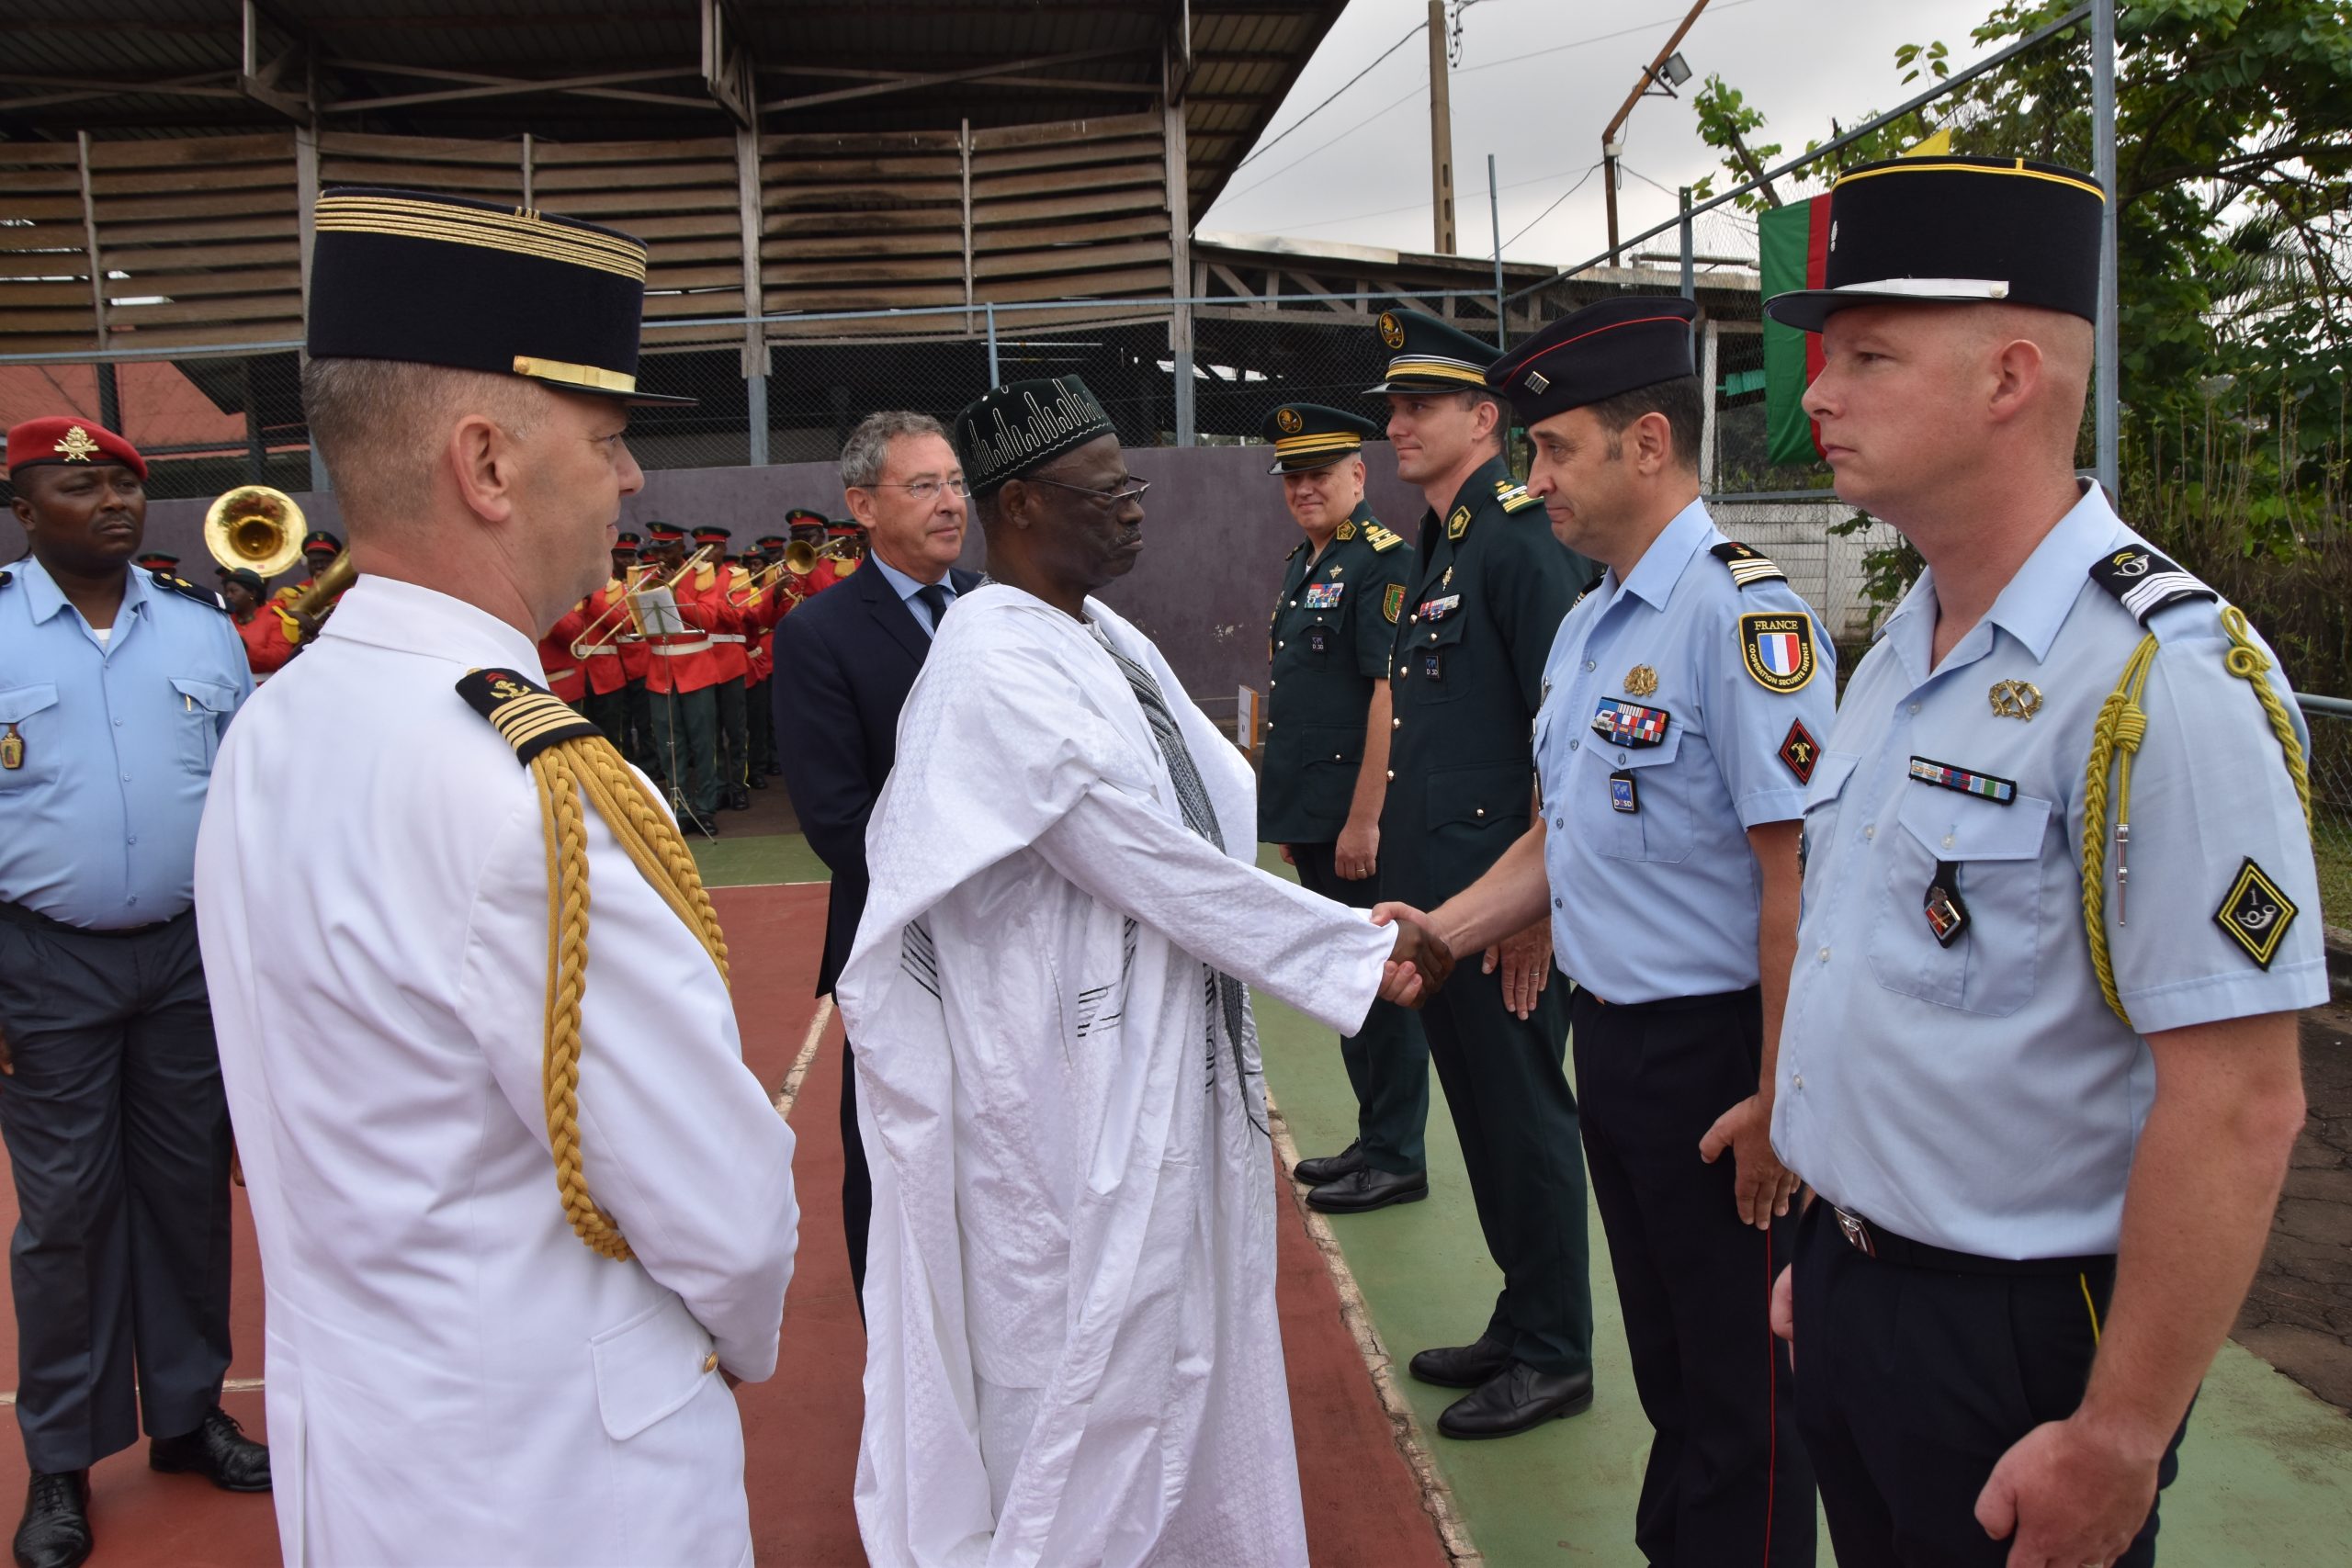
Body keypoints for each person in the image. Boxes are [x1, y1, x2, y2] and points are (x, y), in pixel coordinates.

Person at [192, 186, 799, 1566]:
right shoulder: (539, 790)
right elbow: (726, 1216)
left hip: (365, 1466)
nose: (632, 478)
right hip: (567, 1487)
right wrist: (743, 1338)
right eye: (606, 436)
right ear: (488, 462)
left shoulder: (274, 725)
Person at [1760, 155, 2318, 1568]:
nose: (1817, 394)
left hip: (2020, 1337)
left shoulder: (2160, 679)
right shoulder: (1903, 643)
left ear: (2010, 378)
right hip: (1854, 1285)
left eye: (1867, 356)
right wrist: (1836, 1245)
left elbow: (2242, 1102)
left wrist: (2122, 1431)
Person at [838, 375, 1453, 1567]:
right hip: (1068, 1077)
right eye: (1103, 488)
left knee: (1191, 1328)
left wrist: (1370, 885)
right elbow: (1135, 852)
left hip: (1162, 1047)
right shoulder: (990, 664)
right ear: (1021, 503)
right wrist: (1353, 950)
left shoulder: (1090, 630)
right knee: (1090, 1341)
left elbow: (1218, 793)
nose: (1133, 508)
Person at [1383, 296, 1825, 1562]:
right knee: (1674, 1374)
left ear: (1645, 442)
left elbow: (1797, 871)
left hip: (1722, 1053)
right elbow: (1560, 838)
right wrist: (1447, 932)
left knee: (1749, 1393)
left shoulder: (1742, 619)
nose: (1534, 477)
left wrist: (1780, 1092)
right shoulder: (1592, 625)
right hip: (1622, 1048)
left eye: (1552, 448)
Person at [0, 416, 265, 1568]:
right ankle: (60, 1459)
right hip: (39, 959)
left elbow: (252, 809)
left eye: (122, 483)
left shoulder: (205, 634)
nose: (109, 501)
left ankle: (186, 1412)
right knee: (64, 1215)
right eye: (76, 484)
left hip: (184, 958)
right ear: (21, 509)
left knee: (186, 1193)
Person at [1365, 308, 1604, 1438]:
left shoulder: (1515, 540)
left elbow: (1561, 731)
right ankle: (1522, 1318)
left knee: (1524, 1120)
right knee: (1482, 1117)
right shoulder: (1441, 542)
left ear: (1484, 418)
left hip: (1507, 905)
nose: (1397, 424)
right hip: (1456, 905)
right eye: (1394, 407)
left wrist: (1535, 911)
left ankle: (1557, 1351)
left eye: (1420, 405)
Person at [773, 409, 981, 1304]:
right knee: (893, 1151)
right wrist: (969, 874)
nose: (950, 503)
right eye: (923, 485)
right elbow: (836, 819)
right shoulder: (820, 633)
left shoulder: (992, 609)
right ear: (862, 504)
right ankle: (890, 1333)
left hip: (1013, 938)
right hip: (899, 941)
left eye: (956, 483)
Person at [1254, 401, 1433, 1213]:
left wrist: (1364, 818)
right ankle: (1374, 1137)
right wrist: (1299, 820)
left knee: (1377, 983)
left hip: (1359, 820)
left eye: (1320, 473)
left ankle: (1398, 1153)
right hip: (1318, 815)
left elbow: (1387, 694)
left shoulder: (1381, 565)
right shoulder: (1306, 564)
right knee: (1344, 982)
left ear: (1358, 476)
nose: (1304, 488)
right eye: (1293, 476)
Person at [639, 519, 736, 833]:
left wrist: (675, 589)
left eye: (667, 548)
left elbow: (708, 618)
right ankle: (678, 807)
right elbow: (633, 624)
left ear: (681, 548)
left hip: (696, 670)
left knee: (703, 743)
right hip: (660, 671)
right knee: (670, 745)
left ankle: (706, 807)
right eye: (657, 549)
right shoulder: (644, 578)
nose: (662, 555)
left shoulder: (700, 576)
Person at [692, 525, 754, 812]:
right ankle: (715, 787)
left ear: (723, 550)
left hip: (730, 660)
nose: (704, 554)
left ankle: (738, 786)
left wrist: (707, 602)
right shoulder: (691, 578)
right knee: (710, 732)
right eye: (700, 548)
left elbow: (737, 615)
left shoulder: (737, 577)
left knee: (736, 729)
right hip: (701, 660)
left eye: (711, 548)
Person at [220, 566, 300, 678]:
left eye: (233, 591)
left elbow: (280, 658)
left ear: (252, 593)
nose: (228, 596)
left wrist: (246, 649)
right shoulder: (224, 620)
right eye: (226, 592)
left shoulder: (273, 619)